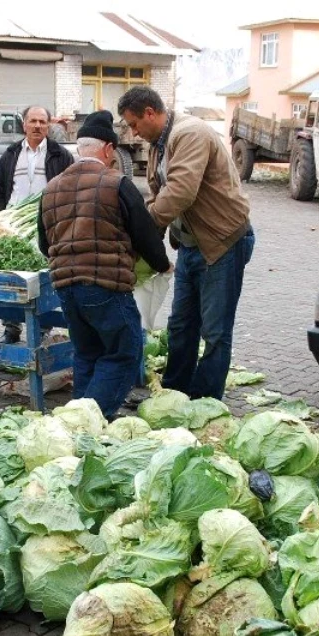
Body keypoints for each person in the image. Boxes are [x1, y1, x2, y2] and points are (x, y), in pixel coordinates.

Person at [118, 86, 254, 401]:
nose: (134, 133)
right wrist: (149, 247)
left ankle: (205, 401)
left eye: (135, 124)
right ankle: (175, 395)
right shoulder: (158, 145)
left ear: (150, 113)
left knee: (216, 331)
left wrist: (141, 230)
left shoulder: (191, 133)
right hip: (192, 245)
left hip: (222, 244)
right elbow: (158, 196)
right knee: (181, 325)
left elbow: (179, 192)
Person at [37, 110, 169, 418]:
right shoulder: (117, 183)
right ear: (108, 149)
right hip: (105, 286)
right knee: (124, 352)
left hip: (66, 288)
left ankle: (74, 421)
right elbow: (145, 234)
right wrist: (161, 264)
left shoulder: (51, 188)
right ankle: (90, 419)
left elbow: (45, 245)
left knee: (87, 354)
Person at [0, 105, 73, 344]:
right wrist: (1, 218)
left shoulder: (61, 155)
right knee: (10, 278)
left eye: (42, 122)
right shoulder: (11, 153)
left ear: (49, 126)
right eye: (33, 121)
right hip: (14, 226)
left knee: (44, 279)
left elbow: (69, 190)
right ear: (24, 124)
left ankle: (41, 329)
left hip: (46, 226)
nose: (38, 126)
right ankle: (11, 328)